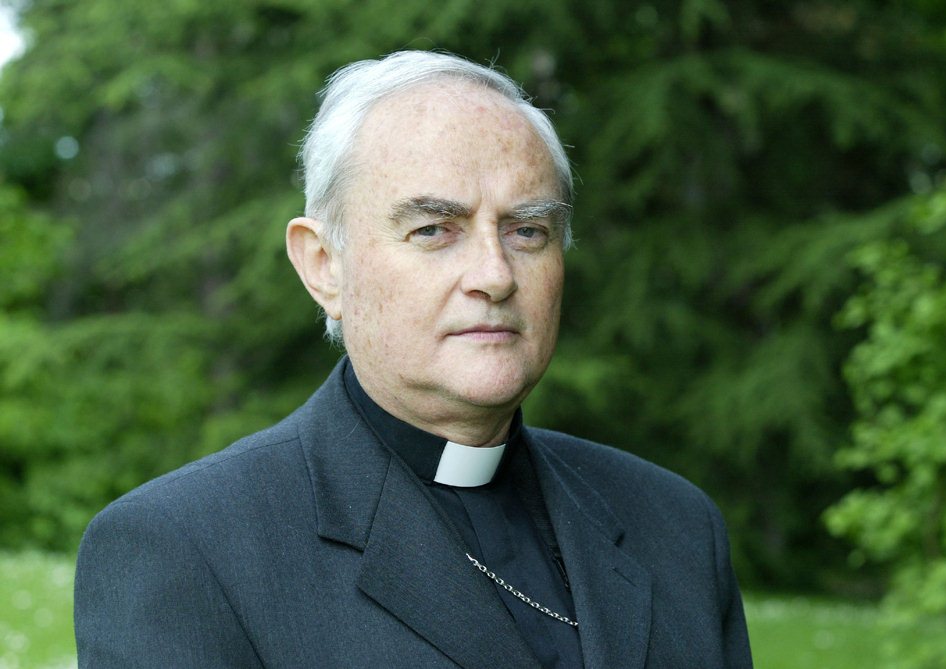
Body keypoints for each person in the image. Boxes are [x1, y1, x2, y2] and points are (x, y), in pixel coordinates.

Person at [74, 50, 753, 668]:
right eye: (433, 230)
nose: (495, 275)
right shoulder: (185, 550)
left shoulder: (676, 525)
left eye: (527, 231)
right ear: (323, 265)